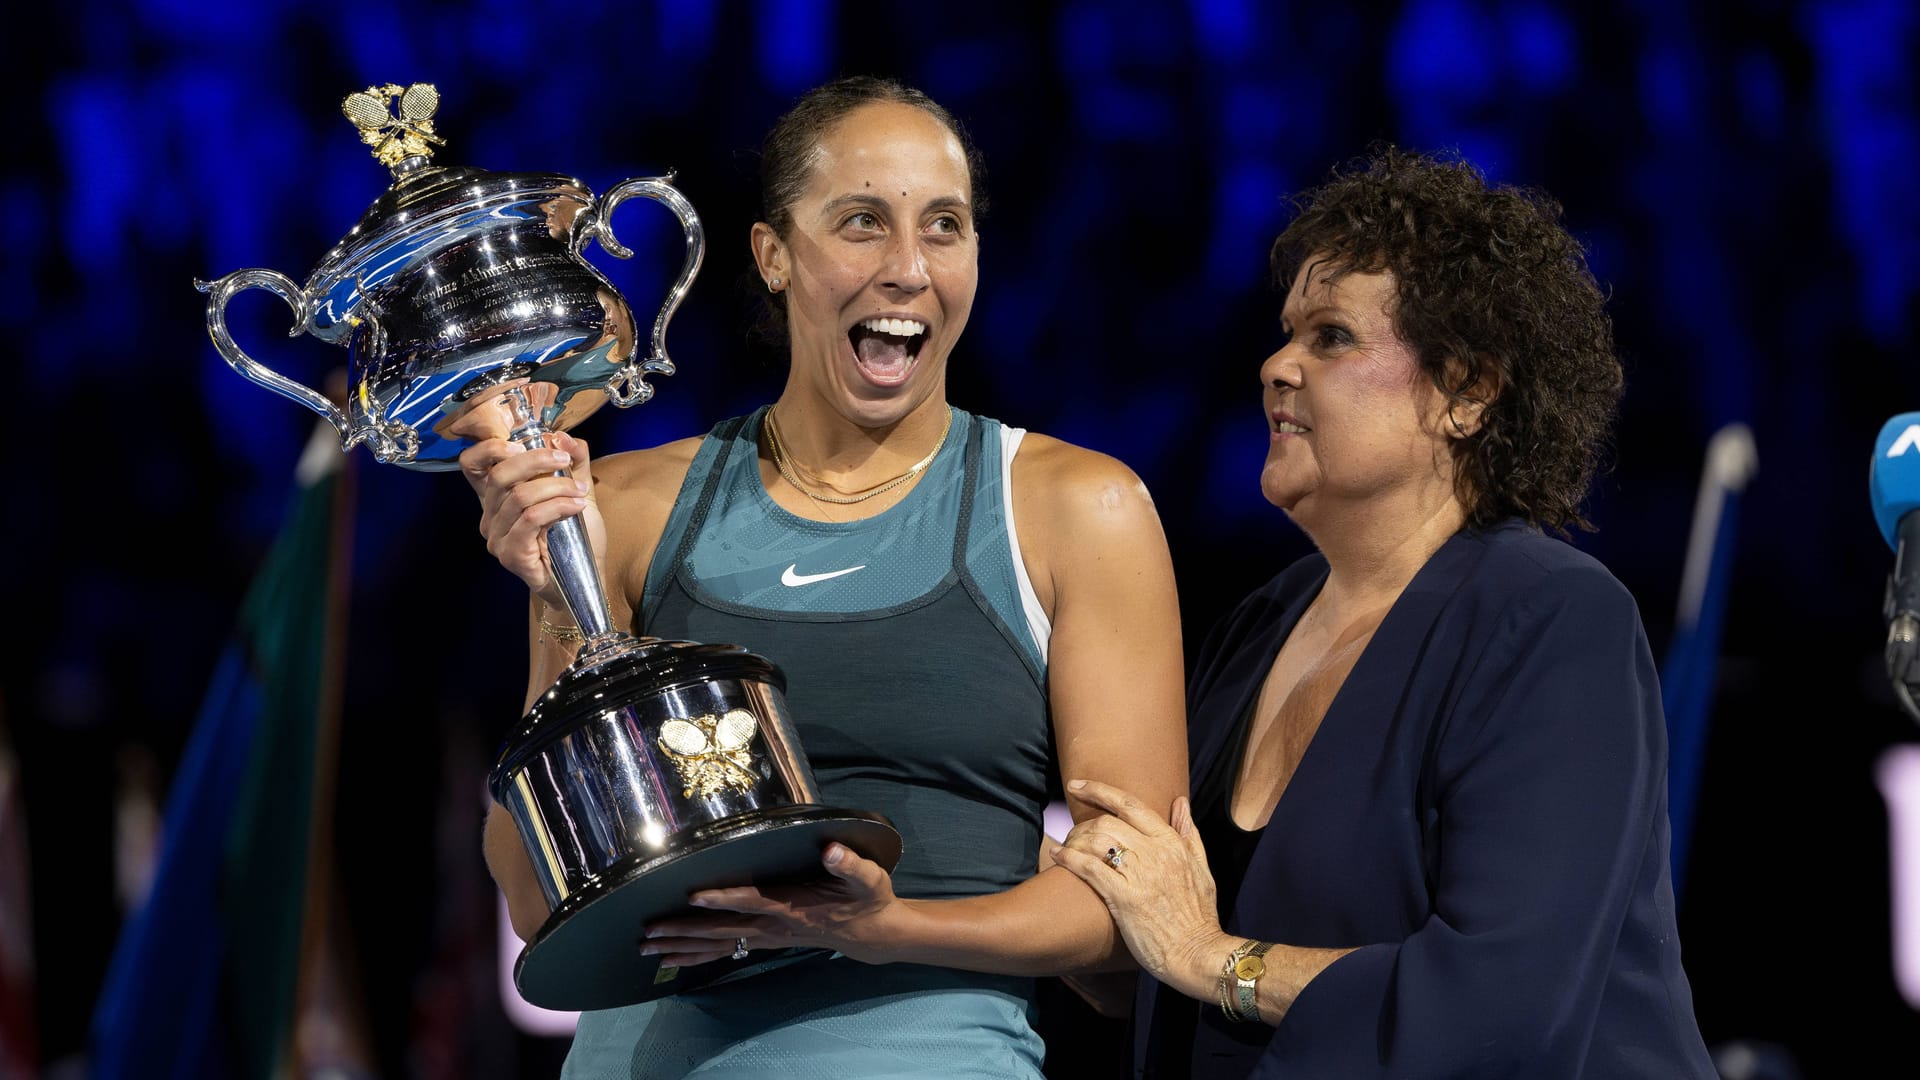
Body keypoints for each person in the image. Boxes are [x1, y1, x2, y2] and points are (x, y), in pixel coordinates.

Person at [460, 75, 1188, 1078]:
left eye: (945, 226)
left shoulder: (1078, 508)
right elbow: (541, 899)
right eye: (860, 223)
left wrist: (887, 929)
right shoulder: (622, 507)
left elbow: (1137, 908)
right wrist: (555, 600)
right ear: (773, 256)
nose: (907, 269)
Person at [1050, 147, 1718, 1078]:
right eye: (1285, 333)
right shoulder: (1258, 626)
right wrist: (1090, 921)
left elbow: (1500, 1004)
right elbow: (1178, 978)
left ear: (1468, 392)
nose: (1276, 365)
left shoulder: (1553, 621)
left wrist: (1207, 956)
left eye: (1331, 338)